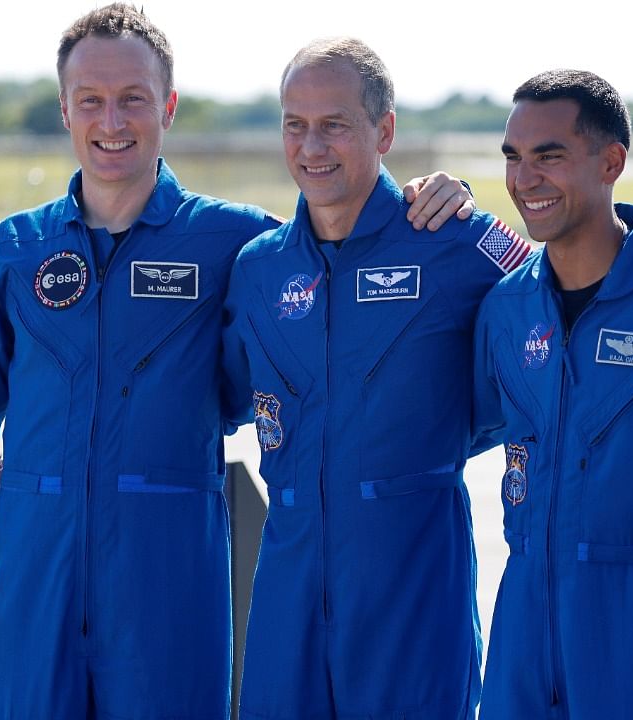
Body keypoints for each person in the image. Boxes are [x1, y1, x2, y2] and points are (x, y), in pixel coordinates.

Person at [0, 6, 473, 718]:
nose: (111, 121)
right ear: (64, 109)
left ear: (168, 107)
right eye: (91, 100)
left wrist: (426, 203)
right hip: (35, 587)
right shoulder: (15, 251)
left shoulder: (236, 243)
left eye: (133, 100)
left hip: (167, 594)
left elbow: (345, 259)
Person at [221, 38, 532, 720]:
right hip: (289, 581)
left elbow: (564, 304)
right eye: (294, 125)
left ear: (384, 130)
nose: (312, 146)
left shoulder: (452, 241)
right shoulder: (258, 268)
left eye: (333, 124)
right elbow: (203, 395)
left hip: (413, 582)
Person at [471, 69, 633, 719]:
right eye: (513, 158)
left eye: (550, 156)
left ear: (611, 161)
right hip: (524, 632)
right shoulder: (507, 307)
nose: (524, 179)